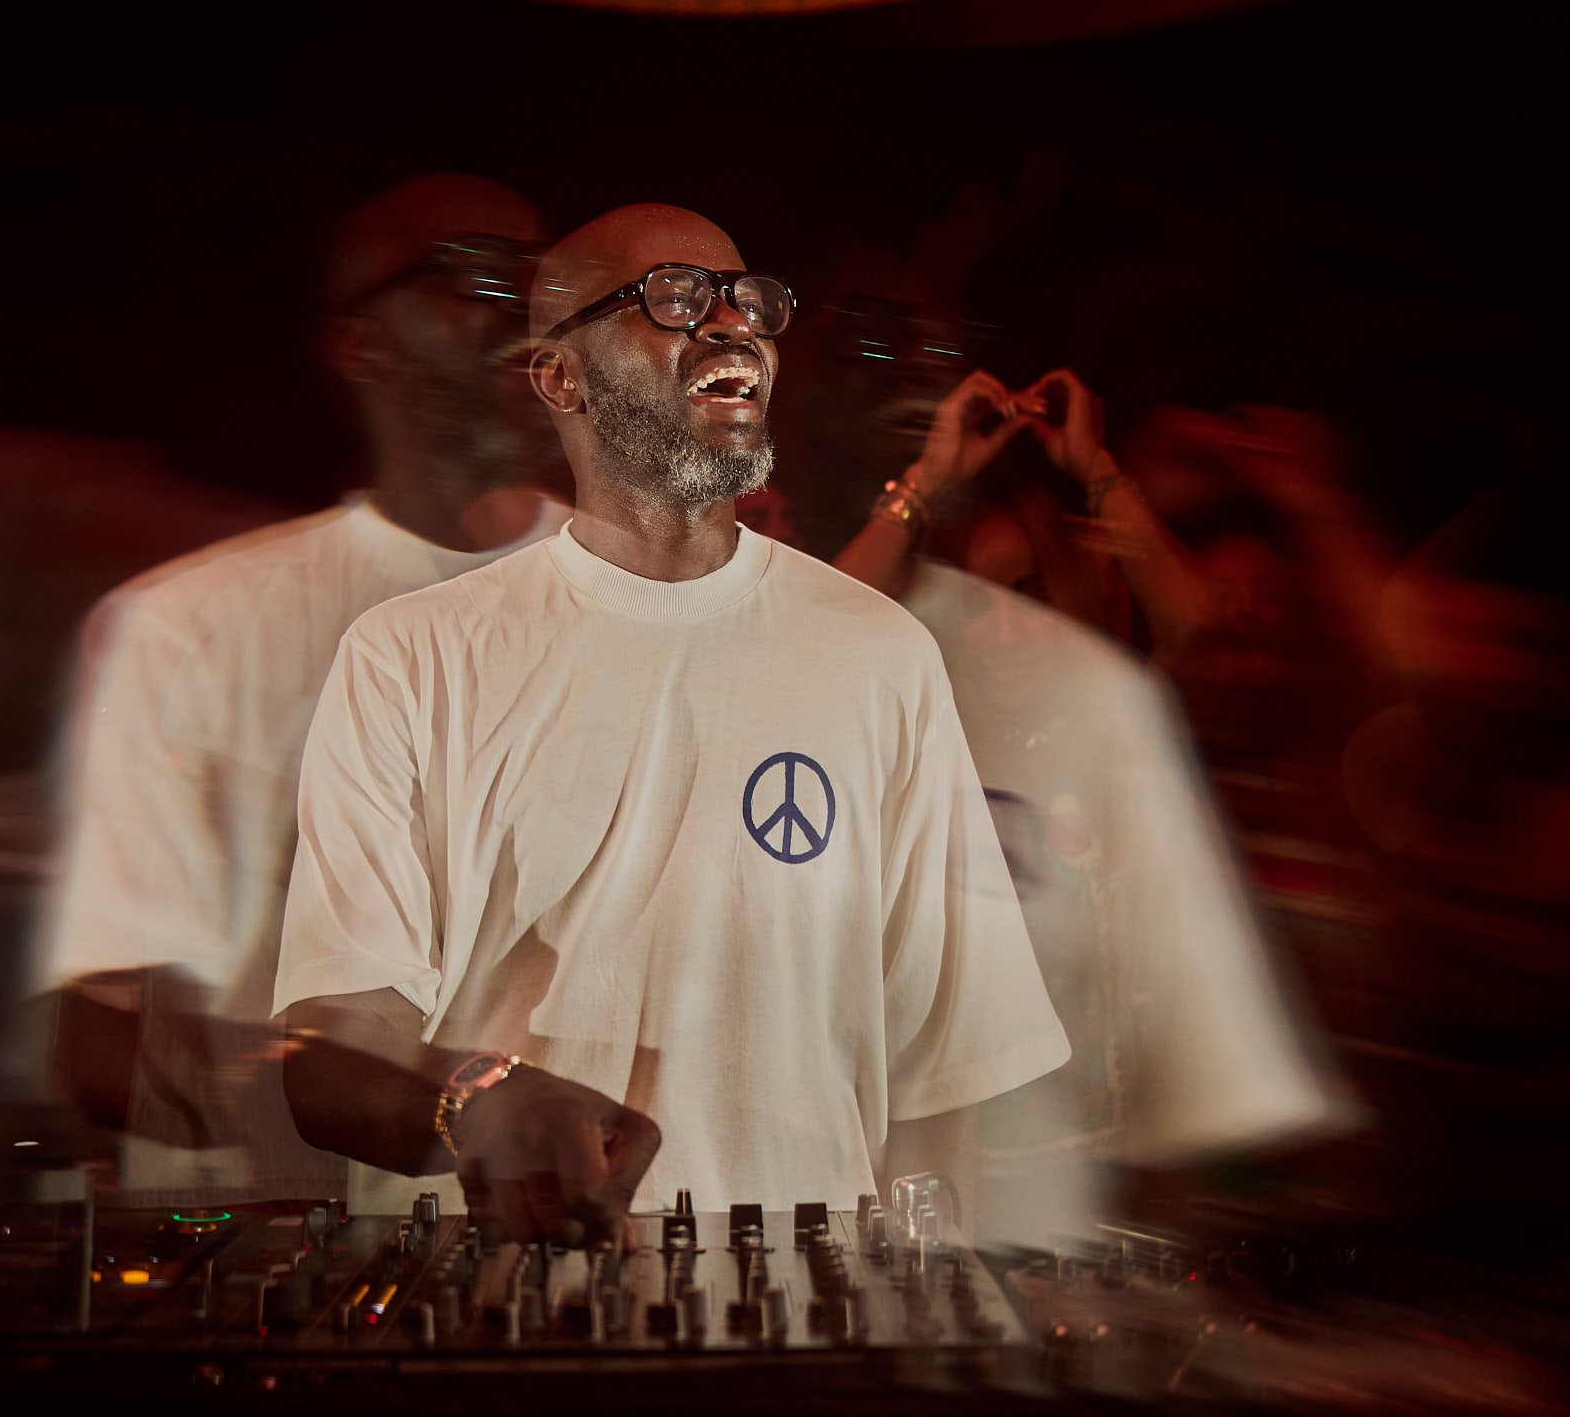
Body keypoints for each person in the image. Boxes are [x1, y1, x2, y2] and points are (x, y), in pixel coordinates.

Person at [275, 205, 1068, 1240]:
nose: (733, 325)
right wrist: (467, 1092)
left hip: (796, 1328)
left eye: (750, 302)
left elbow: (956, 1059)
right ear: (559, 376)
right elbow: (338, 1034)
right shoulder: (412, 654)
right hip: (499, 1317)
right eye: (679, 298)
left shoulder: (881, 653)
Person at [35, 174, 567, 1210]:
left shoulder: (671, 606)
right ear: (360, 344)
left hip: (629, 1270)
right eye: (479, 277)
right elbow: (105, 1038)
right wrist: (438, 1116)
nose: (532, 306)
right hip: (303, 1288)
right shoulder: (190, 625)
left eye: (548, 279)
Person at [785, 283, 1347, 1251]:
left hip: (1065, 1201)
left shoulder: (1106, 732)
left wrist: (1096, 470)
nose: (999, 621)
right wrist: (925, 478)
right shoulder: (908, 733)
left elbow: (1197, 632)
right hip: (897, 1195)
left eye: (1029, 590)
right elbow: (803, 641)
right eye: (974, 592)